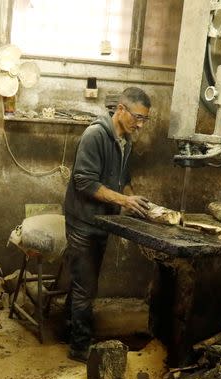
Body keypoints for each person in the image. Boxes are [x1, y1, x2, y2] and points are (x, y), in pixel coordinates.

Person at [63, 87, 152, 362]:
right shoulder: (95, 135)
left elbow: (122, 180)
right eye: (137, 117)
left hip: (103, 222)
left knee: (85, 283)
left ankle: (67, 328)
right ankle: (79, 348)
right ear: (121, 109)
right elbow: (85, 182)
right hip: (83, 222)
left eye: (145, 120)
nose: (140, 124)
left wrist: (134, 202)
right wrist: (124, 200)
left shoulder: (125, 141)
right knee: (85, 288)